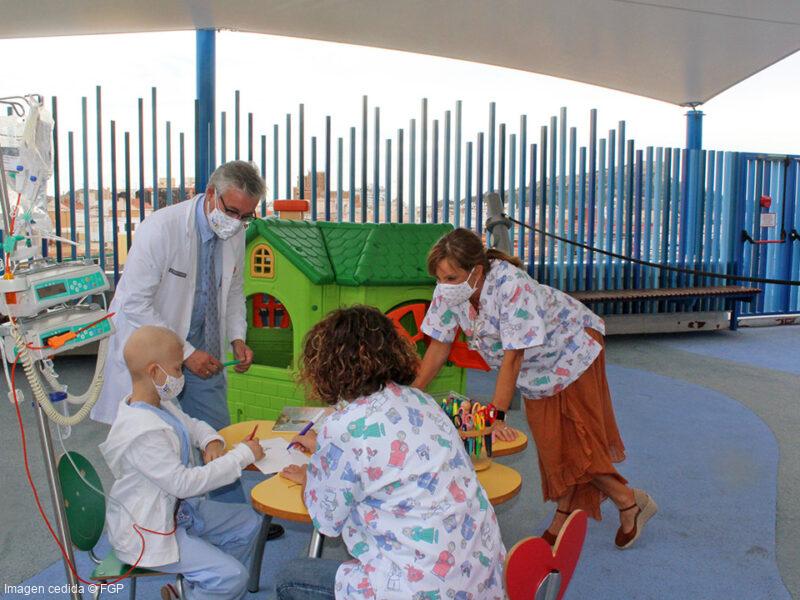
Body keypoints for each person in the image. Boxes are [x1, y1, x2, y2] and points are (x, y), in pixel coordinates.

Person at [413, 228, 657, 550]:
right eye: (440, 278)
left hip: (571, 349)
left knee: (579, 441)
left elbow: (513, 358)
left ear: (477, 271)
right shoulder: (450, 291)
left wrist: (496, 417)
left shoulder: (511, 284)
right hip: (536, 370)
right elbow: (438, 346)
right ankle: (578, 508)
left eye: (451, 277)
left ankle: (624, 502)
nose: (443, 286)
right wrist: (410, 391)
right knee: (553, 445)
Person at [276, 306, 506, 600]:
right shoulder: (421, 400)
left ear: (326, 367)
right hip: (480, 578)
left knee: (289, 576)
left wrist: (312, 476)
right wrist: (325, 448)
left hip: (419, 589)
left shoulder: (341, 429)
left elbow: (327, 521)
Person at [99, 325, 264, 600]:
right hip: (148, 530)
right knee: (233, 577)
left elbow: (193, 425)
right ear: (154, 372)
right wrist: (242, 455)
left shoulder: (159, 403)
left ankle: (188, 590)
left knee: (247, 521)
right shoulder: (142, 432)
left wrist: (212, 441)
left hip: (177, 513)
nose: (181, 375)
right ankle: (210, 586)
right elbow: (184, 484)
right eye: (177, 368)